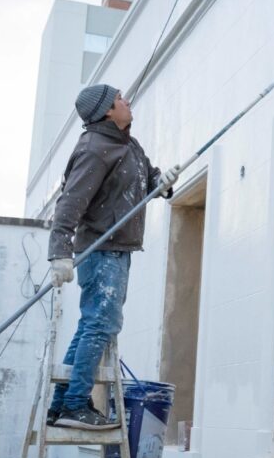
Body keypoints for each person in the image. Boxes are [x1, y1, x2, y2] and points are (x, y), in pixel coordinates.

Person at [46, 84, 178, 430]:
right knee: (102, 324)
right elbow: (70, 203)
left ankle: (60, 405)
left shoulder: (128, 143)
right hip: (101, 251)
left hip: (120, 248)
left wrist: (161, 182)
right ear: (106, 110)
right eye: (120, 98)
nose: (127, 101)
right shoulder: (94, 148)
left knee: (93, 324)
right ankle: (76, 404)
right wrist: (59, 251)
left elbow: (147, 179)